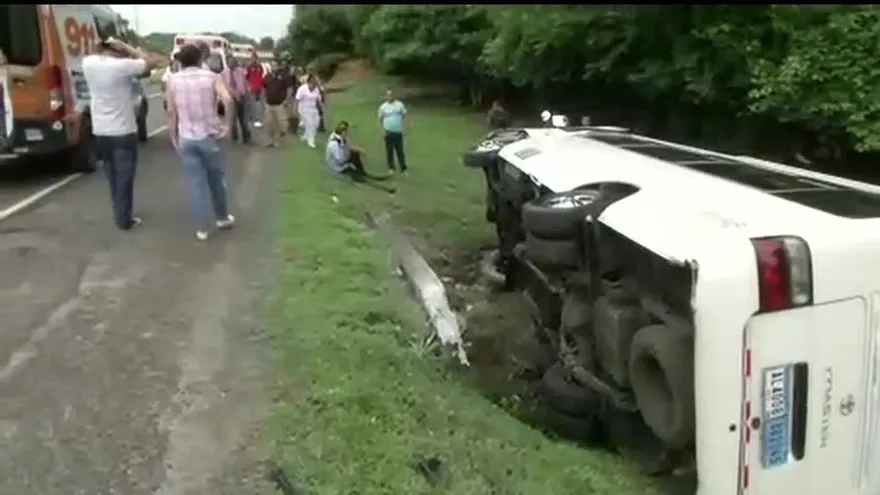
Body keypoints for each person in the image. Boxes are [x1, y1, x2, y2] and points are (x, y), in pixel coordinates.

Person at [82, 37, 160, 230]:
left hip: (101, 130)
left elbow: (95, 53)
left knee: (112, 176)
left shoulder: (88, 63)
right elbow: (150, 62)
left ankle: (119, 212)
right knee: (125, 176)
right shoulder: (122, 66)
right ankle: (124, 219)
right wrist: (127, 47)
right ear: (117, 50)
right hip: (123, 131)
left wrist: (105, 45)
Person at [165, 43, 236, 241]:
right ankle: (222, 218)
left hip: (186, 137)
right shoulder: (212, 77)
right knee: (216, 180)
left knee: (196, 184)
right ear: (200, 59)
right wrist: (227, 125)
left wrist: (173, 135)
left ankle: (202, 228)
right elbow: (228, 100)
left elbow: (171, 111)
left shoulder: (173, 81)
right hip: (209, 136)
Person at [326, 120, 394, 192]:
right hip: (338, 166)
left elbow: (348, 146)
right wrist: (348, 159)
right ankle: (363, 179)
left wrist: (358, 150)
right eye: (346, 132)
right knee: (355, 173)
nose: (347, 133)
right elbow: (339, 159)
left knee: (355, 154)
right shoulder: (334, 144)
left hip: (342, 160)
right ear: (343, 132)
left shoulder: (340, 138)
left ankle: (362, 173)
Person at [262, 61, 293, 147]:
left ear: (278, 66)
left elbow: (289, 89)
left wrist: (286, 100)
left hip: (280, 104)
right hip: (269, 104)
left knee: (282, 125)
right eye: (272, 65)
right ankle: (271, 141)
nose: (273, 67)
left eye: (275, 65)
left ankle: (281, 141)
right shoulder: (267, 76)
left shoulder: (284, 76)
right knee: (269, 124)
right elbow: (264, 88)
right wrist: (264, 99)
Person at [378, 88, 408, 173]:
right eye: (388, 95)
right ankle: (391, 168)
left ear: (394, 95)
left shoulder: (399, 105)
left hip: (398, 131)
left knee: (400, 151)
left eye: (391, 95)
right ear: (385, 96)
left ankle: (403, 168)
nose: (389, 97)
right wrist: (382, 130)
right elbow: (380, 119)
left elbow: (404, 116)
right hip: (388, 132)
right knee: (389, 151)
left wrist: (405, 128)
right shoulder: (383, 107)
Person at [223, 56, 251, 144]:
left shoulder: (241, 71)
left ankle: (246, 138)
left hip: (242, 97)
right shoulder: (224, 73)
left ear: (235, 62)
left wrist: (247, 91)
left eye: (232, 61)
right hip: (231, 98)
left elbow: (246, 82)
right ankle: (234, 138)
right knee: (233, 118)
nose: (230, 63)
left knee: (244, 119)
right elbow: (225, 86)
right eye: (229, 62)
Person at [295, 73, 323, 149]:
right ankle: (311, 141)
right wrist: (296, 110)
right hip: (304, 109)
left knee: (316, 123)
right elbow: (297, 99)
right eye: (313, 84)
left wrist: (321, 108)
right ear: (309, 82)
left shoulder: (316, 90)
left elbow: (319, 100)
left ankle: (306, 135)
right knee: (310, 124)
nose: (314, 86)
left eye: (316, 85)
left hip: (313, 109)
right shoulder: (302, 89)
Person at [245, 54, 265, 128]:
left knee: (259, 104)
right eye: (252, 58)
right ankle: (251, 117)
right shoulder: (249, 67)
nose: (253, 60)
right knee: (251, 103)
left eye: (255, 59)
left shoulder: (260, 67)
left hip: (260, 87)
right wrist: (249, 85)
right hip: (252, 87)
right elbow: (246, 77)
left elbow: (261, 74)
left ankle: (258, 117)